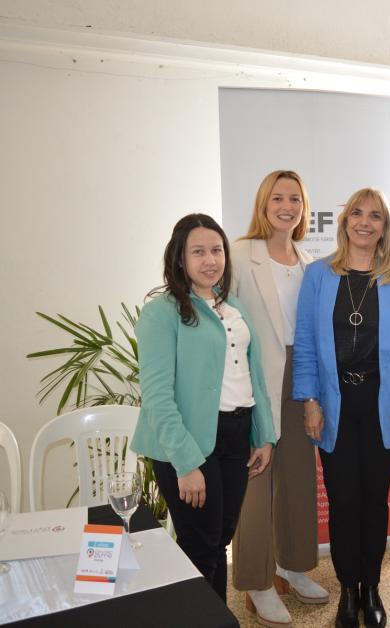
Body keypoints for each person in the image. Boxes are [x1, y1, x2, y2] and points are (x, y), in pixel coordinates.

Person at [293, 187, 390, 628]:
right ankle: (348, 588)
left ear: (385, 227)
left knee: (373, 501)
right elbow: (307, 345)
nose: (365, 222)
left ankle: (372, 587)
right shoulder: (318, 275)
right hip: (334, 404)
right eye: (357, 214)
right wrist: (309, 399)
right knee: (344, 499)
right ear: (345, 221)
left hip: (381, 404)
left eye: (376, 216)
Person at [131, 213, 276, 601]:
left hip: (234, 435)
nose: (210, 260)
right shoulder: (162, 312)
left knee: (217, 543)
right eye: (198, 252)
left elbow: (252, 378)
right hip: (189, 442)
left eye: (216, 250)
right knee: (200, 548)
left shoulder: (234, 308)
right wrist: (186, 463)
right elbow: (158, 396)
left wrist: (263, 435)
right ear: (180, 258)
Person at [229, 171, 327, 627]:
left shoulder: (310, 261)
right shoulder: (237, 252)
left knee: (298, 477)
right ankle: (257, 581)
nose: (286, 206)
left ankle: (292, 566)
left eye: (295, 199)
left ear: (304, 208)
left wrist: (315, 392)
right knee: (256, 480)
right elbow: (221, 320)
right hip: (252, 378)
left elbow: (312, 330)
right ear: (263, 203)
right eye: (278, 197)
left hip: (301, 374)